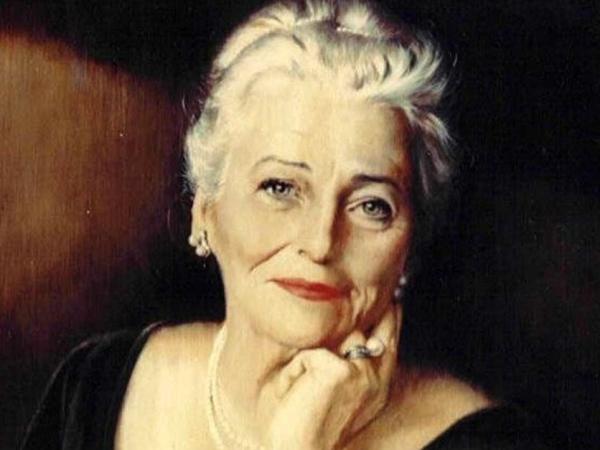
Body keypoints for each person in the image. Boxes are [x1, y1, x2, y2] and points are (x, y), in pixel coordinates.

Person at [20, 1, 553, 449]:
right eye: (280, 188)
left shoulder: (489, 441)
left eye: (371, 205)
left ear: (409, 247)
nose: (321, 242)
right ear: (206, 210)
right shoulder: (97, 385)